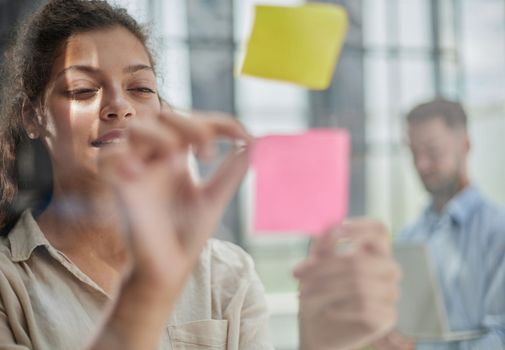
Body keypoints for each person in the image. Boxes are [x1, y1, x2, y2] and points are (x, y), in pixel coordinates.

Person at [0, 1, 400, 349]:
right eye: (84, 90)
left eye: (140, 88)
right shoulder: (9, 285)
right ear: (32, 117)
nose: (120, 107)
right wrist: (149, 291)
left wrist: (320, 344)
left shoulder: (226, 274)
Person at [374, 98, 505, 349]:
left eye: (432, 151)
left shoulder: (499, 232)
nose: (421, 165)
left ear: (465, 145)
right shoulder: (408, 238)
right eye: (414, 153)